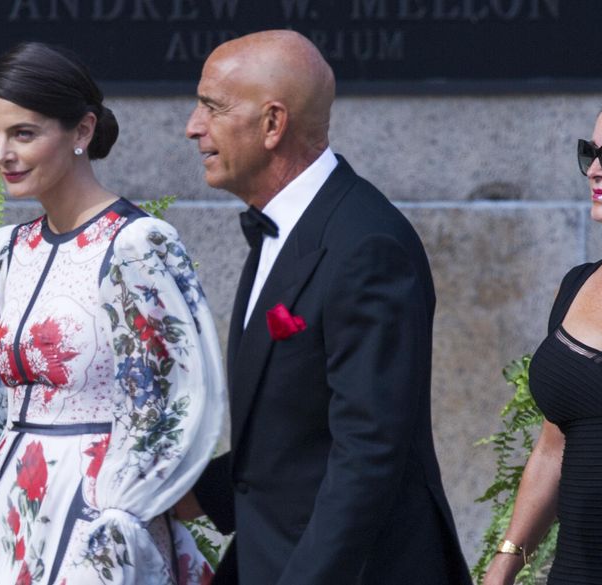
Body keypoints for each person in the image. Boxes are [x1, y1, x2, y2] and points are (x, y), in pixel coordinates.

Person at [176, 30, 470, 584]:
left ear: (272, 124)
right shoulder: (288, 228)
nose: (193, 126)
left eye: (212, 107)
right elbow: (296, 438)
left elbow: (368, 455)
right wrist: (172, 495)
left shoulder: (367, 245)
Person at [0, 42, 225, 585]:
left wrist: (123, 513)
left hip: (102, 519)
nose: (2, 154)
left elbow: (175, 396)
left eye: (23, 133)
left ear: (82, 130)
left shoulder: (136, 245)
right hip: (13, 512)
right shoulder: (8, 251)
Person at [484, 72, 602, 585]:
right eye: (590, 153)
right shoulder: (576, 286)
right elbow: (553, 447)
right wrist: (504, 563)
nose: (595, 169)